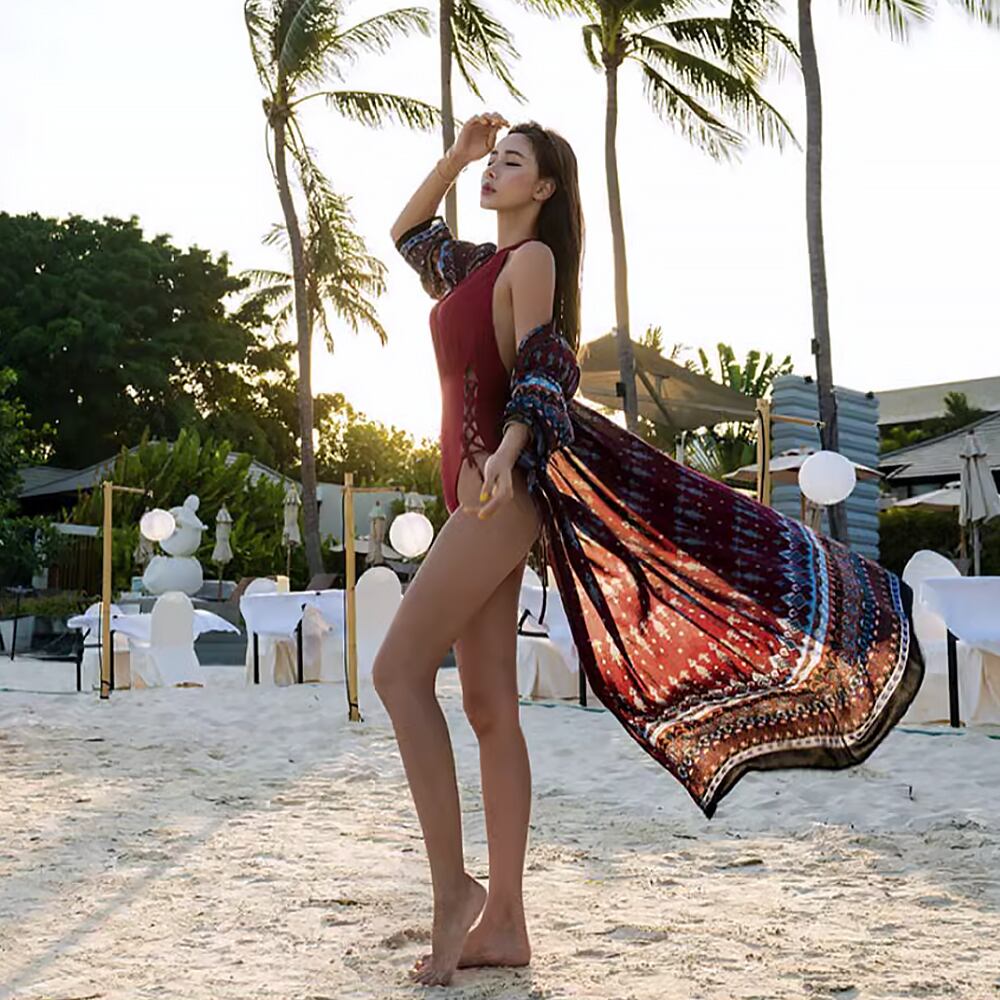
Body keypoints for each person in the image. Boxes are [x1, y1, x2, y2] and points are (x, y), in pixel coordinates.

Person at [374, 112, 924, 988]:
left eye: (510, 163)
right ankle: (505, 920)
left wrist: (510, 452)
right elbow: (407, 234)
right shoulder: (475, 266)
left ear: (544, 188)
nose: (493, 171)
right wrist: (455, 156)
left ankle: (454, 893)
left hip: (497, 493)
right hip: (481, 492)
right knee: (487, 707)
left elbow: (547, 365)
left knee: (396, 673)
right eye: (493, 161)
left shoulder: (530, 260)